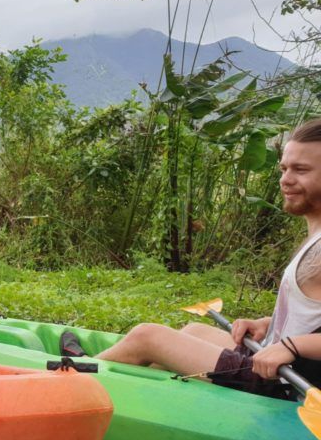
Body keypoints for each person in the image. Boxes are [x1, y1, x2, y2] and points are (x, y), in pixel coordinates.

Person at [88, 118, 321, 398]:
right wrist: (267, 323)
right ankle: (125, 393)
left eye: (301, 170)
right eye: (284, 168)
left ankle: (65, 382)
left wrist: (292, 346)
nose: (285, 179)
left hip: (283, 381)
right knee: (194, 330)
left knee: (147, 336)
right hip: (273, 359)